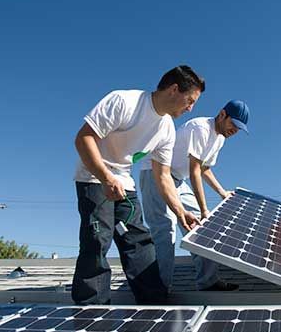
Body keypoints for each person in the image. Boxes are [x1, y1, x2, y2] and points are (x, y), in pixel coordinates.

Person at [71, 65, 204, 305]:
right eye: (190, 100)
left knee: (138, 240)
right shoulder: (124, 101)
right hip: (93, 176)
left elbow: (162, 176)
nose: (190, 108)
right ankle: (91, 311)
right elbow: (83, 138)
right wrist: (104, 177)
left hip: (123, 182)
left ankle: (154, 304)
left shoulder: (166, 130)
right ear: (174, 89)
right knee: (97, 239)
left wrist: (181, 211)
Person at [140, 100, 250, 291]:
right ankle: (159, 291)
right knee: (165, 232)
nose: (235, 131)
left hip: (177, 180)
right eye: (234, 124)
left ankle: (208, 281)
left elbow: (205, 169)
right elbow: (195, 171)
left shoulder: (220, 139)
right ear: (222, 114)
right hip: (154, 174)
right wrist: (204, 208)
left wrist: (222, 192)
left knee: (201, 226)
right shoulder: (200, 128)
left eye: (239, 129)